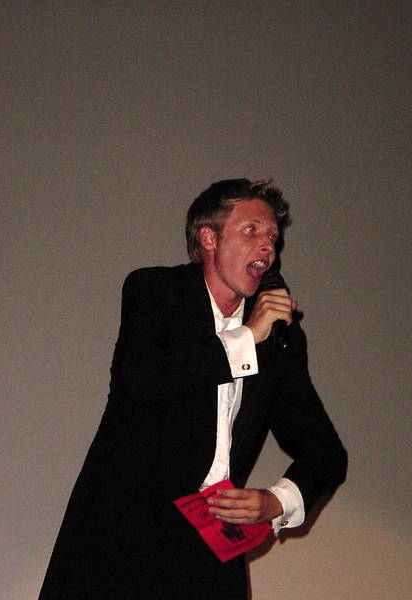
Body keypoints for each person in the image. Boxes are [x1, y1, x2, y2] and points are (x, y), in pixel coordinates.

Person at [39, 179, 347, 599]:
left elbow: (325, 451)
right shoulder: (156, 292)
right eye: (251, 230)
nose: (267, 247)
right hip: (122, 544)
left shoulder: (278, 338)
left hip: (209, 556)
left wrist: (276, 503)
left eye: (273, 237)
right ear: (209, 238)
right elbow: (142, 381)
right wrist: (245, 338)